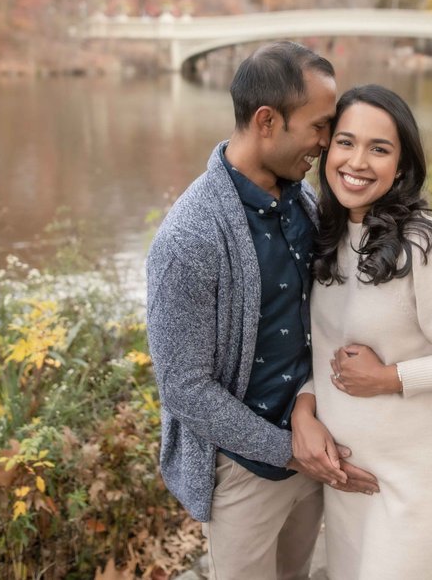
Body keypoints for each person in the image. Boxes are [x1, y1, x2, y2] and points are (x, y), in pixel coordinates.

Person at [146, 41, 378, 580]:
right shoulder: (189, 237)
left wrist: (309, 419)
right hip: (245, 469)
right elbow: (183, 387)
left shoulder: (302, 201)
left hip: (315, 441)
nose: (327, 144)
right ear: (267, 121)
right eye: (320, 127)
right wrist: (287, 451)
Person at [291, 84, 432, 579]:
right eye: (346, 142)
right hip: (348, 484)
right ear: (326, 149)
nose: (358, 161)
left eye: (380, 149)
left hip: (413, 488)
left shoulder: (428, 246)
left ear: (401, 166)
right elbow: (324, 354)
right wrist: (305, 407)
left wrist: (392, 377)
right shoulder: (327, 242)